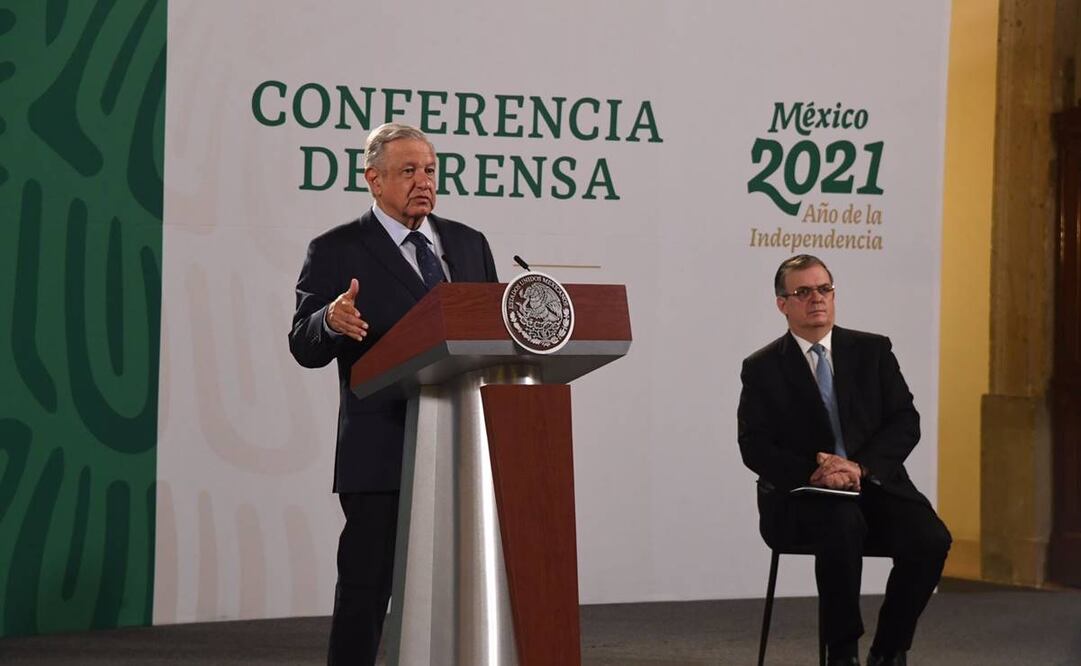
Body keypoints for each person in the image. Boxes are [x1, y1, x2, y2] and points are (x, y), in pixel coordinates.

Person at [288, 123, 498, 665]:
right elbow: (302, 343)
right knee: (365, 592)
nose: (423, 182)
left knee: (463, 588)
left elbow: (495, 332)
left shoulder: (469, 244)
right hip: (382, 448)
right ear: (373, 180)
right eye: (408, 171)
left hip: (463, 449)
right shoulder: (336, 249)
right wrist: (330, 320)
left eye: (429, 170)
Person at [737, 254, 951, 666]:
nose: (816, 299)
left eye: (824, 289)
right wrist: (816, 472)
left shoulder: (872, 350)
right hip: (802, 496)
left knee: (930, 539)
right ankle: (842, 651)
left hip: (872, 483)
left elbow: (905, 421)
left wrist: (859, 467)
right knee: (842, 524)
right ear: (782, 304)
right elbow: (754, 445)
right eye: (802, 292)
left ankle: (888, 650)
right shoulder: (762, 368)